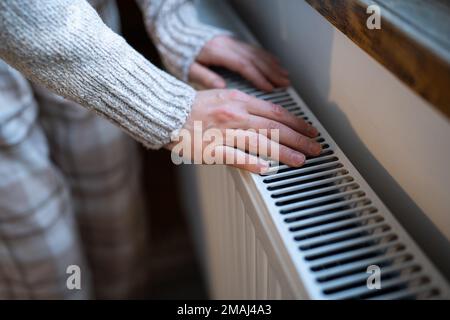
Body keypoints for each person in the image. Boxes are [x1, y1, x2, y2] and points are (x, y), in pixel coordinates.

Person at [0, 0, 321, 299]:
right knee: (44, 261)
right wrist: (165, 108)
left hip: (85, 24)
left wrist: (174, 18)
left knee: (113, 229)